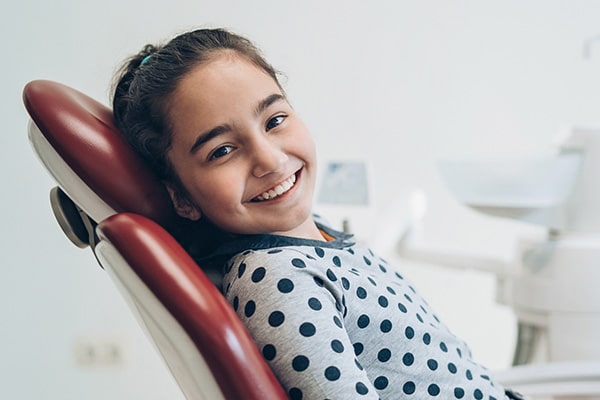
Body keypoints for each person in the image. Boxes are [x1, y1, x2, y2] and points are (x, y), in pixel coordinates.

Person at [112, 28, 523, 400]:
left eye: (274, 120)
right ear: (181, 198)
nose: (270, 161)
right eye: (221, 150)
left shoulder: (313, 237)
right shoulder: (277, 279)